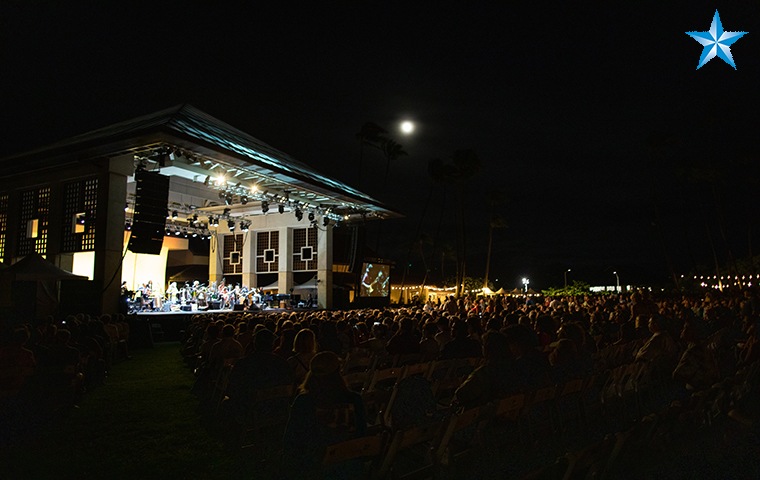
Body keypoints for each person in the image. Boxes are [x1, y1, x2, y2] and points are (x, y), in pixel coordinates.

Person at [282, 351, 366, 480]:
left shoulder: (304, 402)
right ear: (338, 372)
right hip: (349, 465)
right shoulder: (355, 400)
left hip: (312, 465)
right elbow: (361, 433)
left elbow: (291, 438)